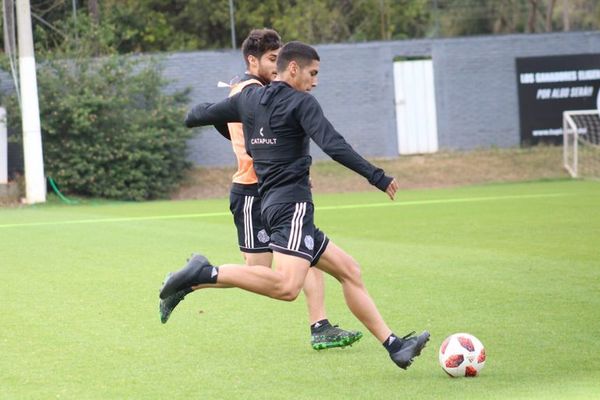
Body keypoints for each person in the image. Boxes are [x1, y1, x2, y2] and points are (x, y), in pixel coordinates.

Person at [159, 41, 429, 370]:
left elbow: (195, 116)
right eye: (312, 73)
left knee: (349, 270)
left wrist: (235, 126)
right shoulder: (302, 104)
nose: (315, 81)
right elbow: (333, 144)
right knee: (287, 287)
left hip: (272, 203)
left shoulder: (248, 98)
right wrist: (377, 176)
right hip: (293, 204)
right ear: (293, 69)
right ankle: (205, 271)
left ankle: (395, 346)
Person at [160, 29, 362, 350]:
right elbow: (225, 126)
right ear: (252, 60)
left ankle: (319, 324)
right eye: (271, 59)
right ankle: (194, 280)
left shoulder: (262, 91)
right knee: (259, 273)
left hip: (273, 190)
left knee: (305, 252)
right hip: (255, 191)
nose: (276, 64)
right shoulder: (249, 90)